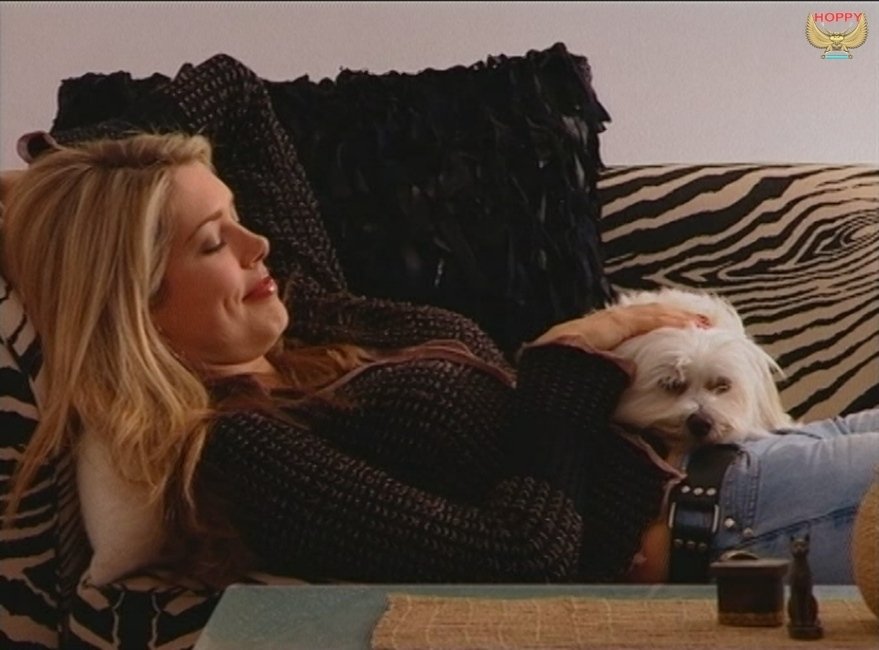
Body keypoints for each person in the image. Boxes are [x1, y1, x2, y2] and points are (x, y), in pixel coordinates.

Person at [2, 54, 877, 588]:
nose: (256, 242)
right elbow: (516, 560)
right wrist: (564, 360)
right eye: (210, 241)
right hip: (741, 528)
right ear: (137, 301)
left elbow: (234, 91)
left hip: (760, 459)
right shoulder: (243, 446)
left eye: (235, 214)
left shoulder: (310, 320)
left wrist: (87, 173)